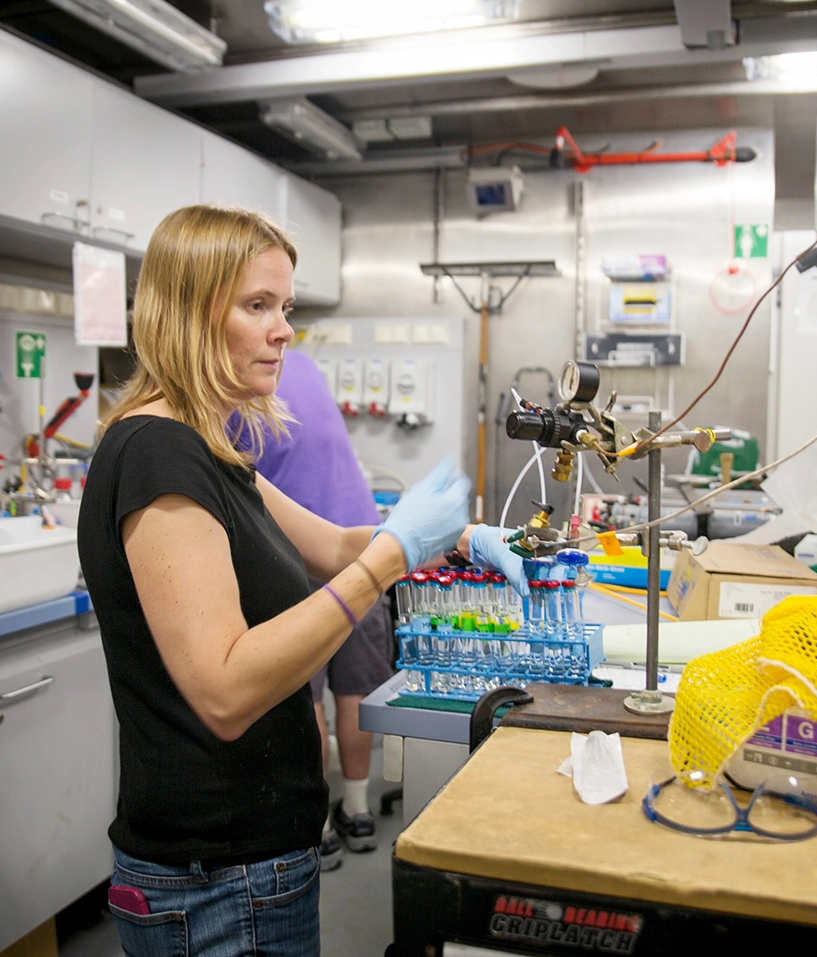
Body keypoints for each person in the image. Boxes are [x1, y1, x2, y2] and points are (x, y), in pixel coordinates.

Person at [78, 204, 525, 955]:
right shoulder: (161, 458)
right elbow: (224, 690)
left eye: (284, 307)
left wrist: (453, 538)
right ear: (188, 313)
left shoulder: (208, 444)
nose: (284, 329)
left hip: (252, 864)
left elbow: (330, 543)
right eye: (258, 306)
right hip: (217, 883)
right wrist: (390, 556)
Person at [243, 348, 391, 865]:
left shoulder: (232, 387)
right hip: (363, 544)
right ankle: (357, 807)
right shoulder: (298, 360)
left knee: (305, 695)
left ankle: (321, 825)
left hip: (300, 552)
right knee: (357, 688)